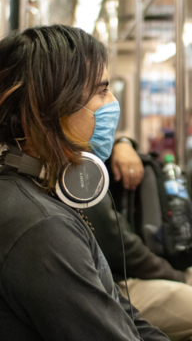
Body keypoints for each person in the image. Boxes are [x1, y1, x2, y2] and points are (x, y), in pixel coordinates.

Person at [0, 25, 169, 340]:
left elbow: (119, 313)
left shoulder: (43, 188)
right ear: (49, 107)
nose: (112, 103)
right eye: (101, 91)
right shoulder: (42, 227)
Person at [87, 140, 192, 341]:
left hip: (113, 272)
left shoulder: (88, 156)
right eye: (99, 106)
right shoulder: (79, 172)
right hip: (108, 282)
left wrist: (123, 142)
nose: (107, 110)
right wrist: (169, 273)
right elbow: (118, 243)